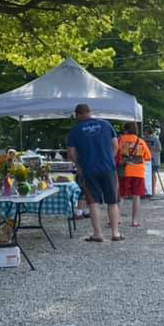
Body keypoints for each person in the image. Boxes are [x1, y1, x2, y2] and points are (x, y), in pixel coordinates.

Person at [66, 103, 123, 242]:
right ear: (90, 112)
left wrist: (79, 166)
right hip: (108, 168)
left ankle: (98, 234)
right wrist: (110, 159)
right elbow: (115, 145)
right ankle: (115, 233)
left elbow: (71, 153)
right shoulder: (106, 125)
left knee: (93, 203)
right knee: (112, 201)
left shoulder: (74, 131)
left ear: (77, 115)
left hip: (88, 169)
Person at [118, 122, 151, 228]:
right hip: (139, 172)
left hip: (125, 171)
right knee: (136, 197)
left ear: (126, 130)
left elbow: (115, 152)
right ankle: (134, 221)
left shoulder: (121, 139)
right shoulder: (141, 141)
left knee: (121, 196)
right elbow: (148, 157)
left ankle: (117, 219)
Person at [143, 126, 162, 195]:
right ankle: (146, 190)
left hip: (154, 160)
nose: (144, 133)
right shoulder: (143, 139)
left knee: (153, 174)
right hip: (145, 160)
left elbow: (160, 149)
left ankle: (153, 190)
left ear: (148, 131)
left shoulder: (155, 139)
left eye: (145, 131)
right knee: (146, 175)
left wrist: (152, 147)